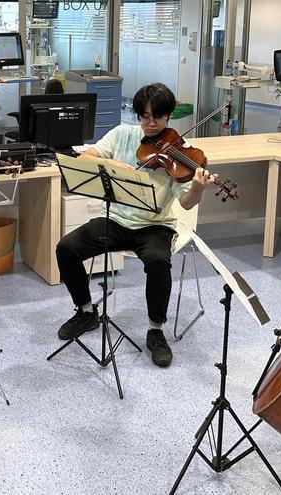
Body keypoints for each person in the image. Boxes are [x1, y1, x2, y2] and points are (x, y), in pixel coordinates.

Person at [54, 83, 216, 368]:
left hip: (155, 225)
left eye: (157, 117)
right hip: (116, 220)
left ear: (169, 117)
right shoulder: (123, 133)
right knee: (66, 247)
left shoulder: (183, 154)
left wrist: (199, 189)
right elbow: (85, 157)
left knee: (157, 261)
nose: (150, 124)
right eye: (144, 116)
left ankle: (156, 330)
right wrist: (120, 169)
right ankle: (86, 311)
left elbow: (187, 204)